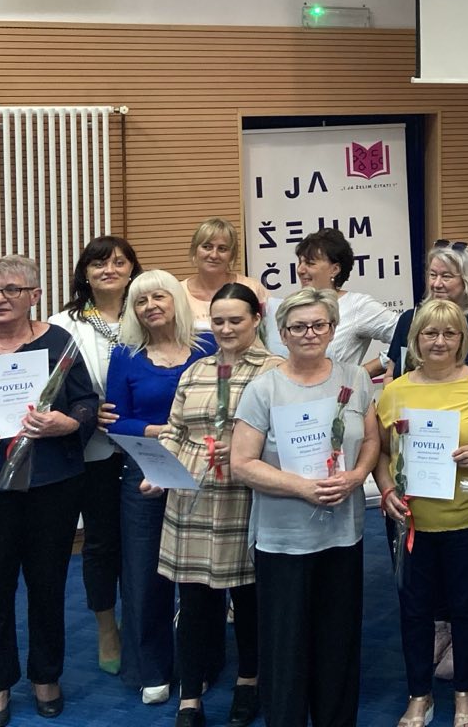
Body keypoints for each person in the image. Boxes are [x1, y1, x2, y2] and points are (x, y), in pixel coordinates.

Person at [0, 255, 98, 727]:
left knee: (48, 582)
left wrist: (67, 422)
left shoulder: (59, 343)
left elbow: (87, 403)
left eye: (11, 289)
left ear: (35, 296)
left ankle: (46, 675)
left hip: (52, 484)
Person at [231, 288, 380, 727]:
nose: (309, 333)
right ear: (282, 334)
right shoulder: (264, 389)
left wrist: (358, 475)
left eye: (319, 325)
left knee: (338, 646)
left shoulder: (356, 379)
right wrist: (301, 488)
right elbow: (242, 463)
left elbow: (371, 439)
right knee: (286, 651)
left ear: (333, 329)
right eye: (298, 327)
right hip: (284, 541)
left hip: (342, 534)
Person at [376, 298, 468, 727]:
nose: (439, 341)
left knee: (467, 609)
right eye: (430, 333)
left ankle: (466, 693)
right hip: (411, 522)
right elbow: (381, 453)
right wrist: (387, 489)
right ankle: (419, 694)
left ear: (462, 339)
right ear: (415, 340)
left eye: (449, 333)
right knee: (414, 611)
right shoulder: (395, 391)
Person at [154, 284, 282, 727]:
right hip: (191, 497)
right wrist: (158, 467)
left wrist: (248, 450)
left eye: (236, 320)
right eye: (219, 321)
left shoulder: (274, 371)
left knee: (247, 598)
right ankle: (189, 696)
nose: (226, 329)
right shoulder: (197, 370)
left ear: (256, 320)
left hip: (244, 495)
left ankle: (249, 681)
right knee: (192, 601)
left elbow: (282, 438)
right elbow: (173, 428)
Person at [106, 268, 218, 705]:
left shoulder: (208, 347)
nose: (150, 306)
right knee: (143, 572)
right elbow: (116, 420)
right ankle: (151, 668)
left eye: (159, 297)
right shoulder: (125, 355)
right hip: (145, 471)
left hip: (203, 470)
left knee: (201, 574)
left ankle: (199, 665)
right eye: (140, 301)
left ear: (176, 300)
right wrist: (161, 431)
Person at [48, 233, 143, 676]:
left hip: (146, 446)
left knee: (145, 541)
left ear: (132, 270)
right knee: (102, 542)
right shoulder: (62, 325)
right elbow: (48, 389)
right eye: (99, 263)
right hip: (93, 450)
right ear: (85, 272)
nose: (110, 270)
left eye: (119, 262)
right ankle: (108, 627)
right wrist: (87, 410)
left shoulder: (148, 312)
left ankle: (143, 621)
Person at [290, 227, 397, 379]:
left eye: (310, 263)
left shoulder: (356, 306)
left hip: (339, 393)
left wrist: (364, 372)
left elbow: (410, 335)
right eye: (300, 262)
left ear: (335, 269)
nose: (300, 270)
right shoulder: (292, 308)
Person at [386, 240, 468, 377]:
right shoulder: (409, 320)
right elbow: (390, 374)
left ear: (467, 281)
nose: (436, 284)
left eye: (446, 276)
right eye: (433, 275)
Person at [180, 218, 269, 329]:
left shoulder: (253, 288)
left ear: (232, 255)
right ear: (194, 250)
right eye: (207, 247)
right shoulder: (178, 293)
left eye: (222, 249)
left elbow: (273, 331)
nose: (214, 255)